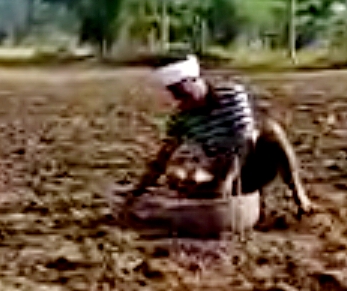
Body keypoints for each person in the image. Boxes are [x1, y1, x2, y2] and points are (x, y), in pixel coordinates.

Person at [124, 56, 316, 216]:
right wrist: (137, 192)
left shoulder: (232, 95)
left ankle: (300, 197)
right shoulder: (182, 118)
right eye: (175, 94)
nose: (179, 99)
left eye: (182, 93)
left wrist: (228, 179)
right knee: (178, 175)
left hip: (252, 163)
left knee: (273, 132)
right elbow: (162, 160)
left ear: (194, 81)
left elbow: (244, 141)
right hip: (218, 172)